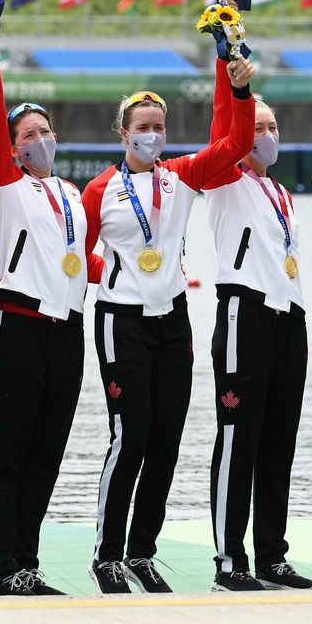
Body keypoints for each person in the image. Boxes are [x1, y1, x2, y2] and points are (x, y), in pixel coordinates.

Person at [81, 65, 256, 595]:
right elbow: (74, 254)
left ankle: (141, 552)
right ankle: (107, 555)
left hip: (172, 320)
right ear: (123, 133)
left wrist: (238, 85)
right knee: (129, 436)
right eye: (142, 126)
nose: (151, 134)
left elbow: (237, 142)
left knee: (166, 441)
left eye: (159, 125)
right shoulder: (100, 189)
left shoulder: (180, 174)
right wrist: (112, 273)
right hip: (120, 320)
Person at [0, 7, 98, 597]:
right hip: (17, 329)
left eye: (45, 133)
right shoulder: (5, 184)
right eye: (28, 136)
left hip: (67, 333)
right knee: (8, 453)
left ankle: (28, 562)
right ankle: (3, 568)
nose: (39, 142)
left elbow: (81, 263)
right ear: (14, 149)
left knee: (47, 454)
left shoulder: (72, 192)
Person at [201, 58, 312, 592]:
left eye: (274, 128)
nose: (267, 135)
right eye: (259, 127)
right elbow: (226, 121)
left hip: (288, 317)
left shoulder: (281, 193)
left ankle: (272, 555)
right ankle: (230, 559)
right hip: (243, 310)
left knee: (279, 443)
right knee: (238, 440)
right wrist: (231, 71)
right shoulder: (224, 176)